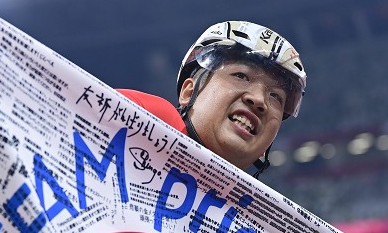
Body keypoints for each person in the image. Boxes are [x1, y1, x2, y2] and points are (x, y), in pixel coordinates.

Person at [119, 20, 306, 178]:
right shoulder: (142, 117)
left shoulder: (260, 214)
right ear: (188, 93)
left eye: (276, 96)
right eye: (241, 76)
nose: (259, 100)